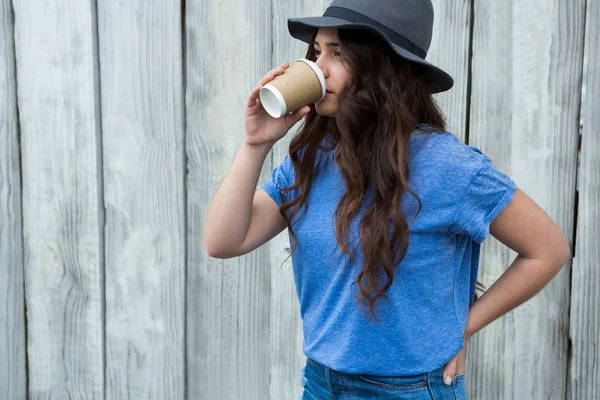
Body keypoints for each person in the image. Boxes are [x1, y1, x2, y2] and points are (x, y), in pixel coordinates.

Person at [204, 0, 571, 398]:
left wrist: (462, 327)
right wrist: (255, 144)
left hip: (409, 390)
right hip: (320, 384)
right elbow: (223, 241)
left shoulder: (448, 166)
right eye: (316, 51)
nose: (317, 68)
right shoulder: (312, 160)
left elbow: (548, 249)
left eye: (338, 53)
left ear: (382, 68)